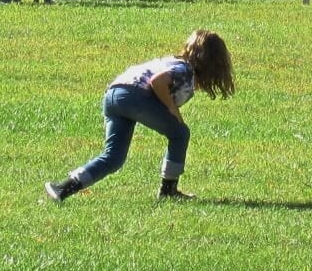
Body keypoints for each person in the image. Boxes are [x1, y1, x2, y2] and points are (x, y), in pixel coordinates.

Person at [45, 30, 236, 201]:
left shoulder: (171, 61)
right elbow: (158, 81)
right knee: (180, 133)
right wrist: (172, 109)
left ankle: (63, 188)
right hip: (134, 96)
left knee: (113, 158)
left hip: (113, 95)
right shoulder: (184, 69)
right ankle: (168, 190)